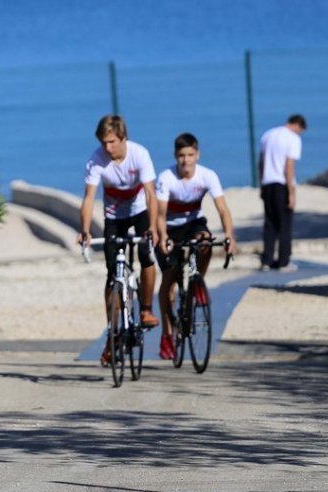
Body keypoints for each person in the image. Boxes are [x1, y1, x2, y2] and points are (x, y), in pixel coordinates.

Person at [77, 115, 160, 366]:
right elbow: (89, 198)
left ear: (124, 138)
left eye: (112, 142)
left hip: (140, 210)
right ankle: (113, 332)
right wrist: (85, 230)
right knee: (112, 273)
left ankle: (145, 308)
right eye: (103, 142)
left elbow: (151, 194)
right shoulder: (96, 160)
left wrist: (153, 228)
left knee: (146, 256)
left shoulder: (139, 154)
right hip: (114, 214)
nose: (107, 148)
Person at [155, 133, 236, 360]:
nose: (186, 161)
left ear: (197, 155)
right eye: (181, 156)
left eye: (190, 155)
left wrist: (230, 236)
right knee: (169, 280)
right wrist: (162, 237)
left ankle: (198, 280)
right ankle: (167, 333)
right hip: (168, 227)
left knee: (205, 242)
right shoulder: (166, 178)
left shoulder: (207, 175)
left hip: (193, 224)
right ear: (175, 157)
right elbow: (159, 214)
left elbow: (223, 209)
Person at [258, 114, 307, 272]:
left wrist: (261, 184)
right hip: (282, 184)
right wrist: (291, 192)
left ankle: (267, 259)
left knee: (270, 223)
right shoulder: (292, 138)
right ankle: (284, 261)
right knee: (285, 224)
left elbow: (261, 161)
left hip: (267, 183)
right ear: (298, 126)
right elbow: (289, 166)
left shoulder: (268, 134)